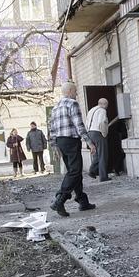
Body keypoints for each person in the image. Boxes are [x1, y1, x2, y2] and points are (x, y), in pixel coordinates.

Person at [49, 82, 97, 217]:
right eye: (75, 91)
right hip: (71, 141)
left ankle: (82, 201)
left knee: (73, 171)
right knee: (75, 171)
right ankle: (60, 199)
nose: (77, 94)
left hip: (61, 141)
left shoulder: (55, 107)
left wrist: (54, 146)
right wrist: (89, 142)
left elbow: (51, 129)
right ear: (69, 91)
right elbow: (79, 125)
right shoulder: (72, 104)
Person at [86, 98, 110, 181]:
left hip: (90, 133)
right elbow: (102, 122)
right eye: (107, 105)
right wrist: (104, 133)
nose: (107, 107)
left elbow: (87, 122)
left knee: (96, 154)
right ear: (104, 104)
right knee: (103, 155)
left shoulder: (91, 110)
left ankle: (92, 171)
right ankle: (103, 176)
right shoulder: (102, 110)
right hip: (98, 133)